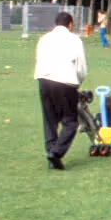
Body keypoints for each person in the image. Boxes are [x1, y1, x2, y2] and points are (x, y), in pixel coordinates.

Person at [35, 11, 87, 170]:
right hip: (65, 82)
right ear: (70, 24)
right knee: (70, 122)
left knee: (50, 121)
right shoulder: (74, 40)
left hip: (44, 80)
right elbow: (81, 67)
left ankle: (51, 155)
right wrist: (78, 82)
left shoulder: (44, 39)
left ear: (55, 24)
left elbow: (39, 59)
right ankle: (56, 153)